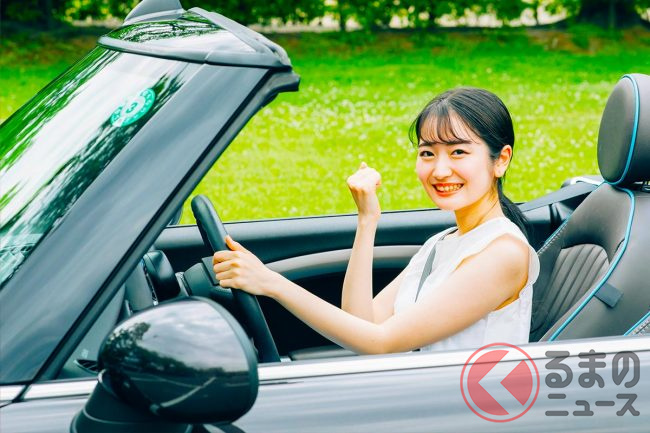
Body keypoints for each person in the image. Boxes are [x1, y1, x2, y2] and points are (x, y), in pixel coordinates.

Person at [212, 87, 540, 355]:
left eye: (458, 152)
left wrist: (271, 283)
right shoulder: (442, 243)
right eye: (427, 153)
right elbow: (362, 323)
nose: (440, 170)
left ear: (501, 160)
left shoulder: (504, 253)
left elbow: (380, 342)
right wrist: (367, 220)